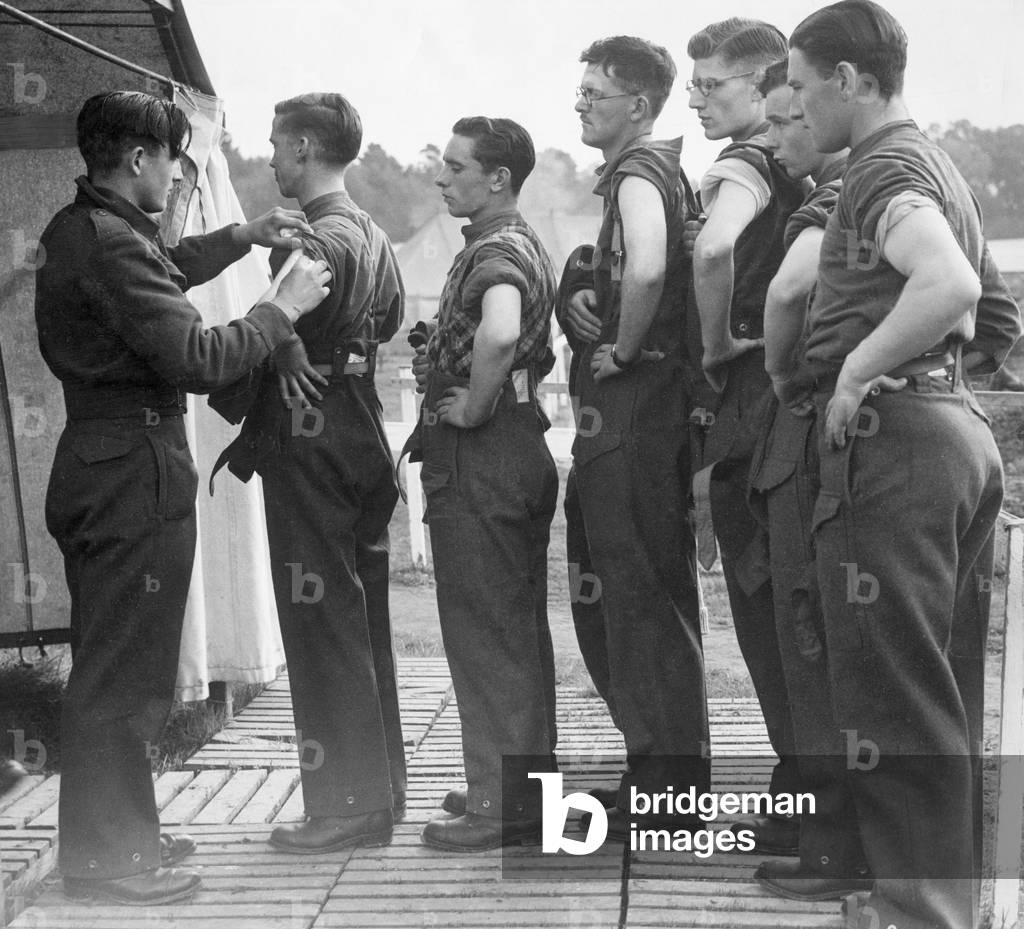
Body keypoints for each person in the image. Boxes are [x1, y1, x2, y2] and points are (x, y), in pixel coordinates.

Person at [36, 90, 330, 905]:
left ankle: (116, 834)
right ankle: (108, 859)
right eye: (172, 159)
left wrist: (241, 236)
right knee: (123, 678)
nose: (176, 174)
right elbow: (199, 354)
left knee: (119, 664)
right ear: (138, 160)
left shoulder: (88, 228)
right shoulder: (109, 244)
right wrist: (280, 308)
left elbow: (164, 273)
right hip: (131, 471)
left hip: (108, 461)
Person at [752, 55, 1021, 910]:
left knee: (895, 696)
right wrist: (937, 378)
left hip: (895, 449)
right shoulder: (938, 162)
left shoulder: (881, 169)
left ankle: (918, 911)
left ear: (848, 77)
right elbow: (999, 321)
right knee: (935, 692)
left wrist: (860, 370)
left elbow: (955, 283)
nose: (792, 101)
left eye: (798, 82)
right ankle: (935, 903)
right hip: (948, 430)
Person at [214, 93, 407, 855]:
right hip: (359, 421)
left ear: (301, 147)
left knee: (322, 622)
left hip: (310, 425)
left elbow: (293, 296)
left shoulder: (319, 235)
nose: (269, 157)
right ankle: (381, 788)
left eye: (273, 145)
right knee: (363, 621)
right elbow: (384, 322)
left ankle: (346, 807)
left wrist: (285, 339)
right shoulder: (373, 230)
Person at [560, 35, 708, 841]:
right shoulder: (640, 176)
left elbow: (648, 269)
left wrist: (619, 347)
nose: (582, 102)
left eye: (597, 93)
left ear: (640, 108)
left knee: (641, 602)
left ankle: (670, 795)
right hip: (639, 424)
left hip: (635, 420)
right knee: (634, 599)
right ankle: (656, 774)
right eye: (581, 90)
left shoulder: (642, 174)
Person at [412, 117, 559, 852]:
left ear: (497, 178)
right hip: (516, 446)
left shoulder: (497, 249)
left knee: (485, 634)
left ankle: (504, 804)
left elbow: (499, 333)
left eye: (456, 166)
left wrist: (471, 403)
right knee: (514, 629)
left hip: (485, 451)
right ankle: (517, 788)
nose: (443, 178)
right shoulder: (519, 238)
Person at [685, 19, 808, 850]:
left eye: (714, 87)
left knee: (766, 613)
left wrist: (717, 337)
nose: (697, 99)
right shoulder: (796, 163)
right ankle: (805, 792)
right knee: (788, 611)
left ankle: (805, 801)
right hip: (786, 406)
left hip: (749, 408)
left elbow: (714, 248)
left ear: (765, 87)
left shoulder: (745, 161)